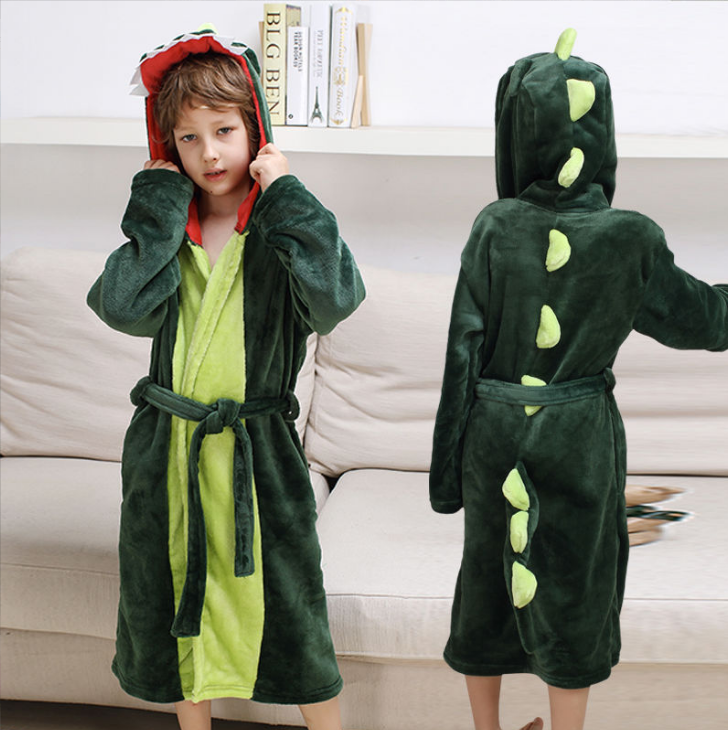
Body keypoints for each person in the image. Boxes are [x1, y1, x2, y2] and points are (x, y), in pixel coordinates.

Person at [429, 28, 728, 730]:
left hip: (494, 431)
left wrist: (446, 481)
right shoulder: (631, 237)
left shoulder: (493, 227)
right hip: (578, 435)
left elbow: (461, 351)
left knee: (487, 581)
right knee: (576, 585)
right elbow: (704, 320)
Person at [87, 27, 365, 730]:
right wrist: (155, 206)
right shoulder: (168, 234)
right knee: (179, 604)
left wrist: (287, 193)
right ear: (166, 147)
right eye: (188, 138)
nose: (209, 153)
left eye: (224, 131)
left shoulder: (280, 230)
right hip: (169, 449)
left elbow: (336, 298)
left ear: (256, 132)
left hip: (258, 452)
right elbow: (121, 307)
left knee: (293, 615)